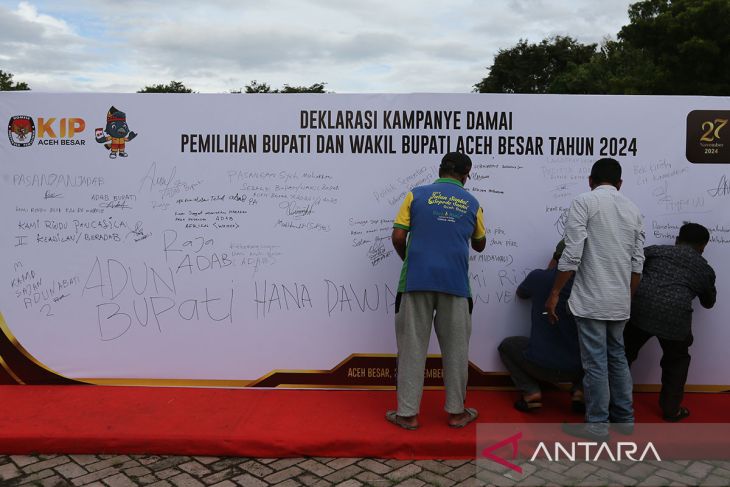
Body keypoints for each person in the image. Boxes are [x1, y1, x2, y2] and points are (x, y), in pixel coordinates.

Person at [545, 158, 645, 441]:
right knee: (617, 357)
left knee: (596, 363)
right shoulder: (633, 209)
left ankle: (598, 425)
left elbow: (573, 251)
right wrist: (626, 298)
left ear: (590, 180)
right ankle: (625, 419)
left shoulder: (584, 201)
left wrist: (554, 293)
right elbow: (637, 264)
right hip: (619, 300)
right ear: (620, 183)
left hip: (591, 299)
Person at [387, 152, 486, 430]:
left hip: (416, 280)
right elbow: (480, 243)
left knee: (411, 348)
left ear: (440, 170)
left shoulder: (415, 195)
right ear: (466, 174)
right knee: (456, 351)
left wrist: (411, 258)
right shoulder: (472, 203)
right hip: (455, 284)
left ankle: (407, 415)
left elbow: (397, 236)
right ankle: (456, 413)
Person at [624, 222, 716, 422]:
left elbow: (630, 262)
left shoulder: (655, 251)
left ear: (676, 240)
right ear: (703, 247)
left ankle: (613, 402)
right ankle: (671, 409)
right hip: (676, 319)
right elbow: (708, 303)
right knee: (677, 361)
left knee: (623, 354)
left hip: (641, 310)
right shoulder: (704, 269)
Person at [499, 240, 584, 413]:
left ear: (557, 257)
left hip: (539, 365)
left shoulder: (539, 278)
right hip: (578, 368)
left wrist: (550, 269)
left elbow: (521, 294)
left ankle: (531, 393)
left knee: (507, 346)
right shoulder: (589, 285)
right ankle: (581, 391)